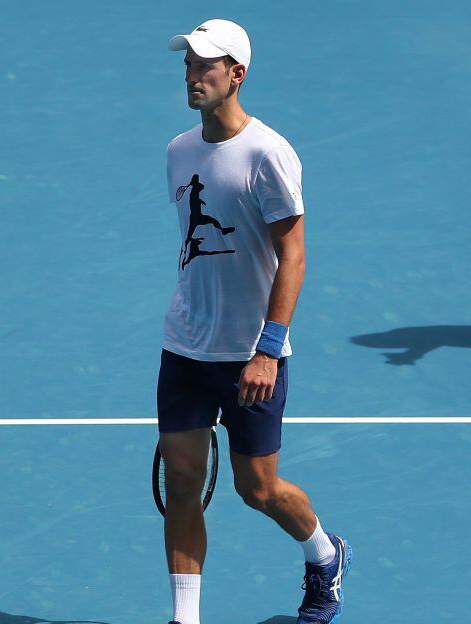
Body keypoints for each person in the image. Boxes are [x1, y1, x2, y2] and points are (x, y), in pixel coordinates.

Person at [157, 19, 351, 624]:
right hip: (185, 347)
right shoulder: (179, 150)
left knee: (257, 489)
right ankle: (183, 619)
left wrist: (268, 347)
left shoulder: (269, 153)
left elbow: (292, 253)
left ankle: (324, 554)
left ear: (235, 75)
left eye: (204, 66)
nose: (192, 76)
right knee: (182, 483)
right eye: (187, 65)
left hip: (250, 354)